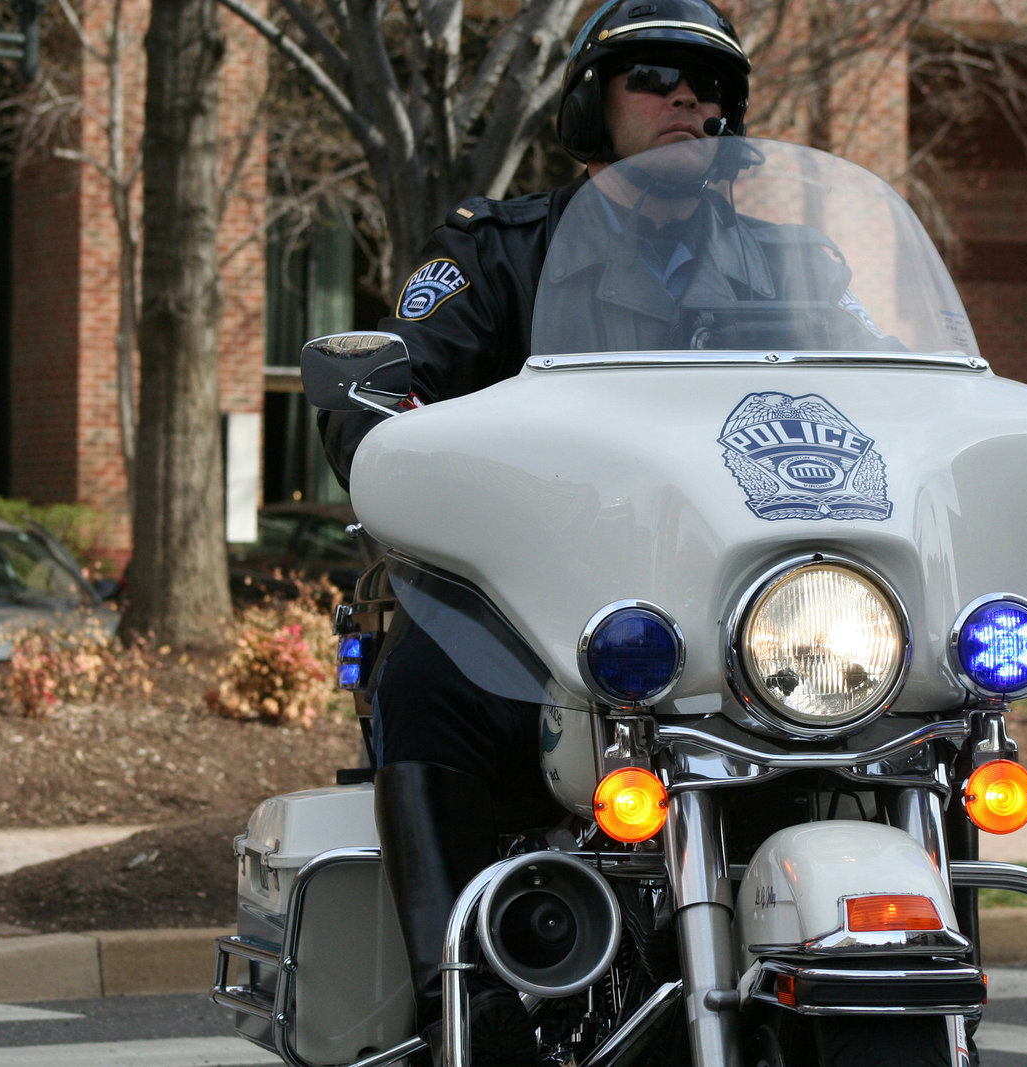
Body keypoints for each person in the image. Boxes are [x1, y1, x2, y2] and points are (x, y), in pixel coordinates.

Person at [317, 3, 751, 1064]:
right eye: (655, 73)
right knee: (425, 681)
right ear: (591, 106)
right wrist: (385, 423)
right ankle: (467, 1009)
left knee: (936, 711)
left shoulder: (790, 271)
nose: (689, 97)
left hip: (745, 619)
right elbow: (386, 385)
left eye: (710, 84)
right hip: (545, 620)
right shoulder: (502, 252)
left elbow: (885, 386)